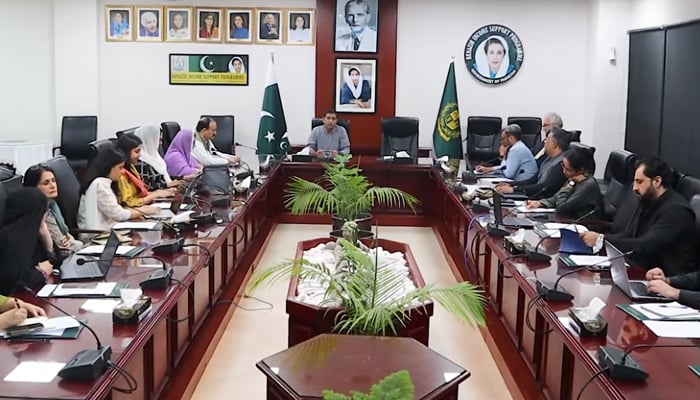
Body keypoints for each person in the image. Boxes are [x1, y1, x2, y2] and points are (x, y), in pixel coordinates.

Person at [580, 157, 697, 276]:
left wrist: (602, 240)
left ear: (657, 181)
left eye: (639, 182)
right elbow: (630, 235)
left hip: (667, 282)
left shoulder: (677, 212)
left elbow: (647, 245)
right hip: (643, 271)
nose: (634, 187)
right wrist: (601, 238)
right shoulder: (649, 202)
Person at [78, 147, 159, 232]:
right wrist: (142, 211)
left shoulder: (104, 182)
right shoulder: (99, 185)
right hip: (97, 235)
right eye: (120, 168)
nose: (122, 172)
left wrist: (138, 211)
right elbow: (118, 214)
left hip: (108, 229)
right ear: (109, 167)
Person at [0, 188, 55, 294]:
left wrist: (48, 243)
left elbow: (51, 262)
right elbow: (14, 282)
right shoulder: (8, 240)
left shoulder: (32, 234)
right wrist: (41, 273)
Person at [526, 147, 603, 219]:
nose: (564, 171)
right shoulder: (574, 178)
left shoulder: (588, 185)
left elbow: (561, 207)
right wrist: (540, 203)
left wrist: (568, 186)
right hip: (569, 219)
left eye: (568, 169)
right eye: (563, 167)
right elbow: (557, 197)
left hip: (585, 225)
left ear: (581, 170)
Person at [22, 164, 83, 253]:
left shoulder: (52, 206)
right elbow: (63, 250)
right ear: (33, 188)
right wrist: (76, 244)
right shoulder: (40, 214)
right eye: (46, 183)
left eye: (53, 181)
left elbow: (66, 238)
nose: (53, 186)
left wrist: (70, 238)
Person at [495, 127, 570, 199]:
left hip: (542, 201)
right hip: (535, 196)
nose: (544, 142)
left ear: (554, 144)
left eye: (547, 139)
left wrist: (515, 190)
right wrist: (512, 185)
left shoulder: (560, 164)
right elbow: (533, 180)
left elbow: (543, 187)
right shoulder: (549, 159)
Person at [115, 133, 175, 208]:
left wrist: (159, 192)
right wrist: (154, 195)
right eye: (136, 151)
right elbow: (129, 203)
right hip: (132, 212)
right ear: (126, 152)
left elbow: (139, 194)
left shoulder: (131, 167)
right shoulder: (121, 174)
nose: (140, 155)